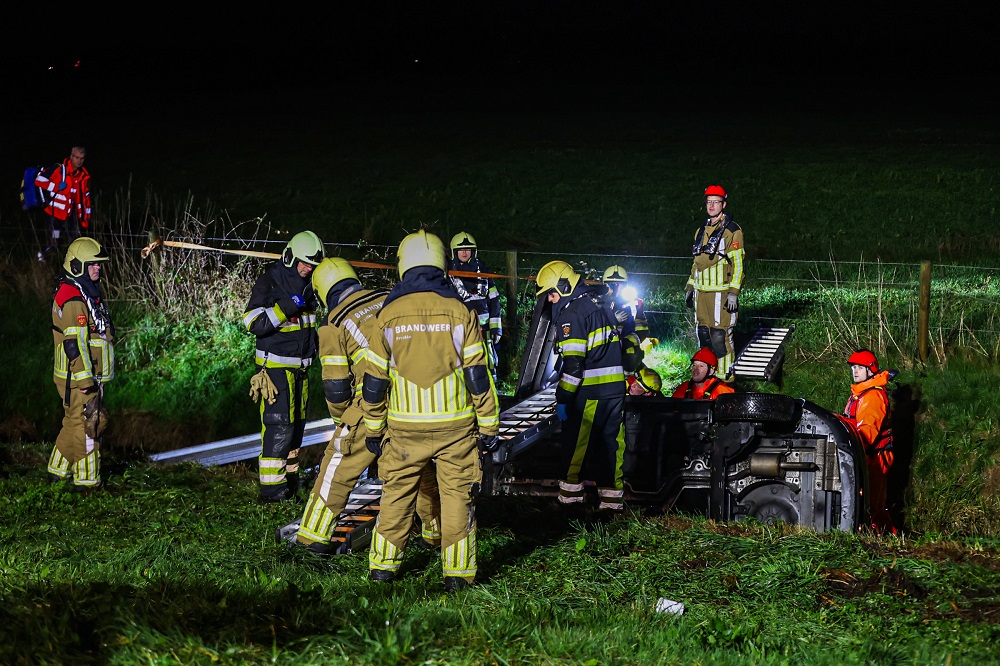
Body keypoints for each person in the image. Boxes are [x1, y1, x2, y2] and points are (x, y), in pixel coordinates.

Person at [362, 230, 500, 591]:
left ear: (403, 266)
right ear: (442, 263)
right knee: (457, 498)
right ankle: (457, 576)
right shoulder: (461, 311)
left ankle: (382, 569)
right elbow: (478, 378)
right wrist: (488, 425)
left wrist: (374, 430)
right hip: (456, 427)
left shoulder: (387, 315)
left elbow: (374, 384)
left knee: (397, 495)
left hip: (405, 429)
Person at [535, 260, 627, 510]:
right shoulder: (599, 304)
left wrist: (563, 399)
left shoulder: (572, 314)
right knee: (611, 445)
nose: (551, 300)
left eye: (551, 294)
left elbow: (574, 368)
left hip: (591, 391)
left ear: (563, 287)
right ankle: (611, 505)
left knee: (576, 447)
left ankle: (570, 503)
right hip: (615, 389)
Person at [243, 230, 324, 502]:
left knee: (296, 427)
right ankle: (272, 490)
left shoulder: (311, 285)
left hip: (301, 369)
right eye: (303, 263)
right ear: (290, 257)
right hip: (275, 369)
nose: (307, 269)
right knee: (279, 426)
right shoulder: (270, 281)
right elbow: (253, 322)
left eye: (312, 265)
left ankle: (291, 482)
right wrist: (287, 306)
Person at [49, 237, 114, 491]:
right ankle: (87, 482)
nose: (98, 269)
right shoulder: (74, 298)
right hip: (78, 379)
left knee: (72, 422)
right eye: (93, 265)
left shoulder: (82, 291)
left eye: (99, 265)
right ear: (77, 265)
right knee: (90, 426)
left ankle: (56, 472)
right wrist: (86, 381)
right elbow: (74, 343)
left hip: (77, 377)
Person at [685, 185, 745, 381]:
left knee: (720, 336)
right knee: (703, 334)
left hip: (721, 292)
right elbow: (696, 263)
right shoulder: (700, 230)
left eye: (716, 202)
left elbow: (738, 263)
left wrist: (734, 291)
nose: (712, 205)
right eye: (709, 202)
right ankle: (705, 376)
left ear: (723, 204)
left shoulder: (732, 231)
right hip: (701, 293)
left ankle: (725, 377)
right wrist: (690, 286)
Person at [843, 349, 896, 534]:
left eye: (860, 367)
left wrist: (849, 451)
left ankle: (888, 542)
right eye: (854, 367)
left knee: (873, 507)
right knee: (865, 504)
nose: (855, 371)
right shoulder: (860, 393)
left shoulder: (873, 396)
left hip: (875, 457)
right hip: (865, 456)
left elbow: (867, 434)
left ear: (870, 370)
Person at [448, 232, 503, 379]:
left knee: (488, 363)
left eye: (468, 249)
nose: (465, 252)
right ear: (454, 251)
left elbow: (494, 300)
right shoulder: (448, 274)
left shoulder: (484, 271)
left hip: (483, 331)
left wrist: (495, 328)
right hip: (460, 330)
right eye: (461, 249)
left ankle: (492, 392)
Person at [36, 147, 92, 260]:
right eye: (76, 157)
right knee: (54, 241)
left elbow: (84, 198)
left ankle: (72, 266)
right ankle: (42, 260)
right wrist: (56, 187)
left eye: (82, 158)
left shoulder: (82, 176)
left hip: (70, 214)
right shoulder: (58, 169)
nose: (79, 161)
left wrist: (85, 217)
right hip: (54, 214)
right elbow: (39, 180)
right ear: (71, 156)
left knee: (76, 241)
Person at [601, 265, 649, 373]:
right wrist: (613, 320)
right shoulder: (597, 302)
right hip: (601, 343)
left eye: (619, 284)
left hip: (626, 345)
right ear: (605, 285)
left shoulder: (634, 303)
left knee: (632, 355)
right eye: (612, 285)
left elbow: (642, 329)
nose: (616, 287)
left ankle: (630, 380)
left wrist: (626, 341)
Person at [671, 347, 735, 400]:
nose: (696, 368)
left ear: (711, 371)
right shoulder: (683, 388)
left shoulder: (722, 392)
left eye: (701, 366)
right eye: (694, 365)